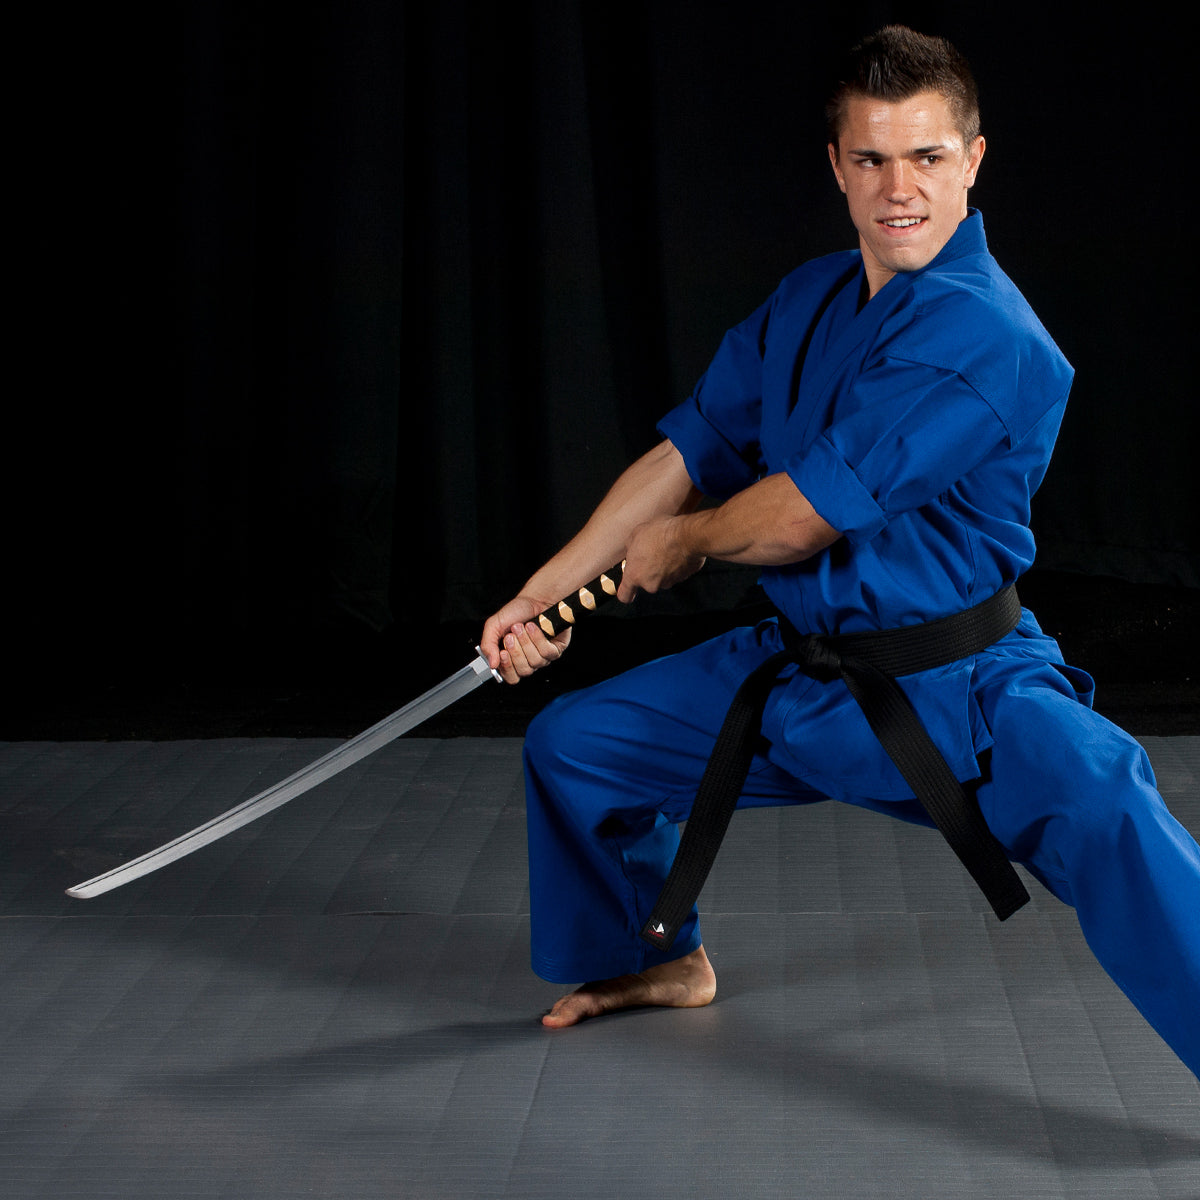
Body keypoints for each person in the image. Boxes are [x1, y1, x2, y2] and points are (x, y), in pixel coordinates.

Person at [479, 25, 1200, 1074]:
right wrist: (543, 590)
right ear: (837, 166)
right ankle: (651, 961)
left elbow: (802, 517)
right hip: (797, 676)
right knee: (575, 745)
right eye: (872, 158)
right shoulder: (809, 300)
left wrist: (685, 545)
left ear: (973, 161)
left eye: (927, 157)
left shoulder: (989, 334)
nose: (899, 188)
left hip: (956, 691)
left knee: (1107, 804)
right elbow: (685, 453)